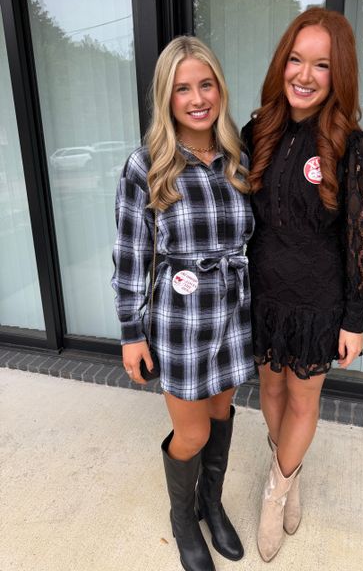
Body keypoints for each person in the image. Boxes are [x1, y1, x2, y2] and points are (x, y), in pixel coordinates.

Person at [242, 7, 363, 562]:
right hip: (264, 294)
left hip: (319, 300)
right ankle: (291, 470)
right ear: (282, 64)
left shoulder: (355, 146)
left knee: (303, 398)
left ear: (338, 74)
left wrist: (355, 318)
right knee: (271, 391)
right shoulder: (258, 132)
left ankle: (275, 494)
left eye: (320, 65)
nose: (304, 75)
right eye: (296, 60)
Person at [112, 36, 255, 571]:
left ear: (220, 88)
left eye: (206, 84)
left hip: (233, 312)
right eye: (182, 89)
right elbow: (130, 253)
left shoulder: (238, 157)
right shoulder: (147, 165)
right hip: (181, 319)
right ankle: (182, 520)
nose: (197, 99)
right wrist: (131, 331)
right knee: (192, 431)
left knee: (220, 413)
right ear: (166, 98)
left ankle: (210, 504)